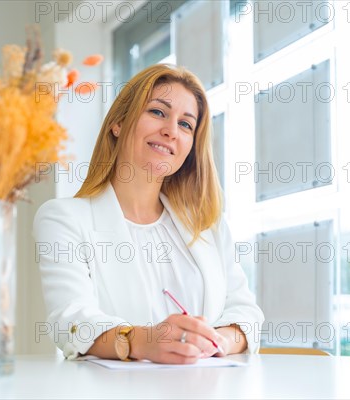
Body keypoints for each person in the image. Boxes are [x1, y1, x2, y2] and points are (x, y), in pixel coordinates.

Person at [33, 64, 264, 364]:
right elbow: (70, 321)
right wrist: (143, 342)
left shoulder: (207, 225)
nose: (170, 130)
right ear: (118, 122)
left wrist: (208, 342)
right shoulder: (63, 219)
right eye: (157, 112)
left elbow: (247, 315)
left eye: (185, 124)